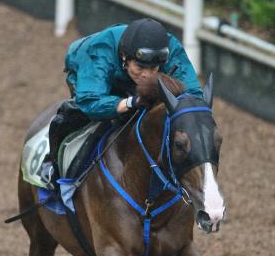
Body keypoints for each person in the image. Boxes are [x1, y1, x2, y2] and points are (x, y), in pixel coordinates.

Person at [41, 18, 202, 188]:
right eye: (140, 67)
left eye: (154, 68)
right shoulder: (101, 49)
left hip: (129, 81)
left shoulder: (169, 48)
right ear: (125, 56)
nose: (147, 75)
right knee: (82, 116)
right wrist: (130, 102)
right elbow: (91, 101)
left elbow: (194, 96)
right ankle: (52, 164)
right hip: (92, 79)